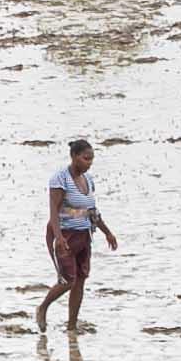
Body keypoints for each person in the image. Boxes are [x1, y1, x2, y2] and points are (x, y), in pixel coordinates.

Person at [32, 139, 104, 334]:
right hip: (65, 235)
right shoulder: (60, 179)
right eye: (85, 158)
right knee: (68, 280)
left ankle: (71, 326)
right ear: (74, 157)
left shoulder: (88, 180)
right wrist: (59, 237)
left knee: (80, 280)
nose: (89, 162)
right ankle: (43, 307)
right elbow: (53, 212)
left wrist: (107, 232)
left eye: (91, 159)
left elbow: (92, 210)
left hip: (84, 236)